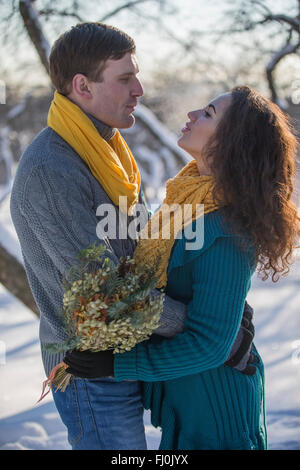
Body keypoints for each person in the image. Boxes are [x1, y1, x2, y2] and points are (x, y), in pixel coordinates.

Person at [10, 22, 255, 450]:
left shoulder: (111, 154)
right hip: (90, 367)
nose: (139, 89)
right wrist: (201, 327)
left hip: (130, 354)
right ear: (82, 86)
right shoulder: (53, 170)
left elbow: (144, 250)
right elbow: (102, 291)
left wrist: (222, 307)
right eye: (125, 78)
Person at [65, 86, 300, 450]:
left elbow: (209, 345)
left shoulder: (225, 228)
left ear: (233, 141)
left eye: (207, 113)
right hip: (185, 399)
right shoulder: (186, 200)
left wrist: (116, 365)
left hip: (215, 407)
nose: (191, 114)